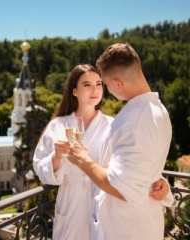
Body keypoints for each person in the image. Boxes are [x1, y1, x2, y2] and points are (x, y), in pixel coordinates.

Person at [33, 64, 172, 240]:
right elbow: (39, 167)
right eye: (86, 85)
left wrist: (158, 180)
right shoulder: (58, 125)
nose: (95, 90)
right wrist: (57, 156)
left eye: (99, 84)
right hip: (71, 205)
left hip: (104, 203)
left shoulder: (113, 125)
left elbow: (130, 164)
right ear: (74, 91)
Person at [67, 44, 173, 240]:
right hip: (143, 223)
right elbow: (144, 162)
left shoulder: (135, 121)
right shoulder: (158, 109)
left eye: (105, 84)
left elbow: (121, 187)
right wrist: (155, 179)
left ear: (117, 83)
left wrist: (83, 160)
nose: (105, 90)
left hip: (127, 229)